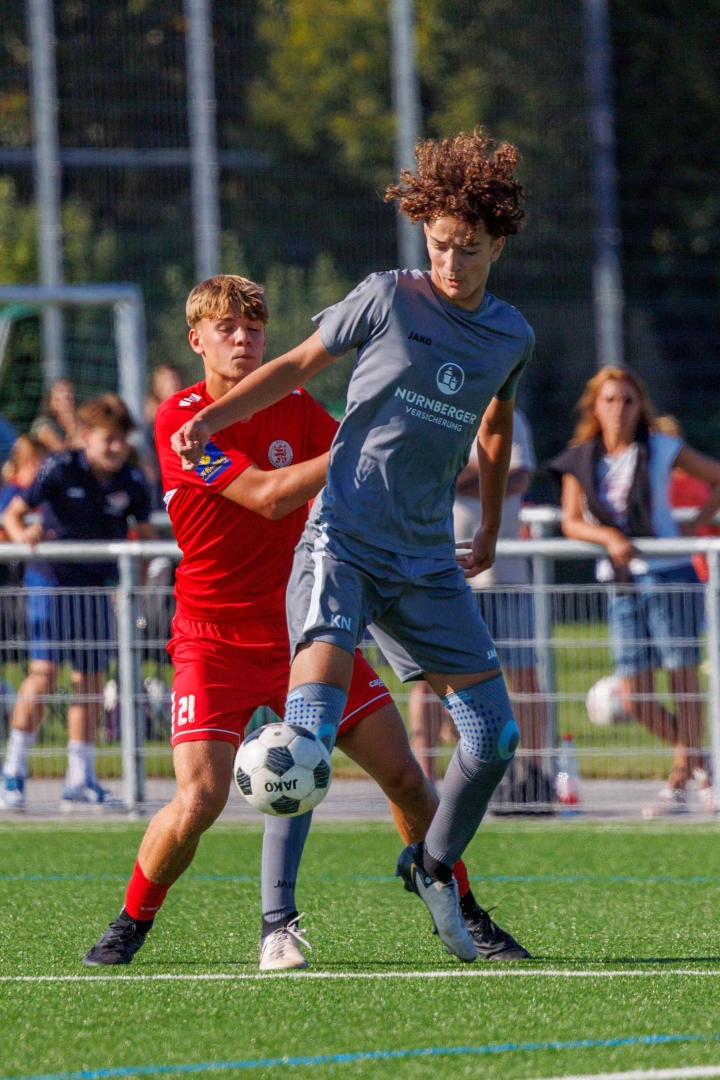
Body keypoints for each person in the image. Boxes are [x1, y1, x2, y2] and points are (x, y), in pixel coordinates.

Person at [83, 274, 528, 970]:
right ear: (196, 340)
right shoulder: (182, 418)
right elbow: (267, 495)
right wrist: (364, 444)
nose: (243, 339)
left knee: (407, 779)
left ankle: (461, 904)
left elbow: (365, 471)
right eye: (227, 328)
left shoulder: (296, 408)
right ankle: (132, 922)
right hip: (213, 639)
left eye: (255, 329)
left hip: (303, 629)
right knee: (200, 799)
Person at [171, 131, 534, 964]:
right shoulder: (388, 296)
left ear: (498, 246)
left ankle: (432, 866)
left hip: (427, 560)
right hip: (340, 543)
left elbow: (496, 422)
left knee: (495, 740)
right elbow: (298, 363)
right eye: (438, 245)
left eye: (467, 249)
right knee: (303, 738)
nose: (449, 262)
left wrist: (487, 523)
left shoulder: (510, 336)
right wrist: (213, 419)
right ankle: (278, 924)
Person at [551, 367, 720, 817]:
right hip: (621, 581)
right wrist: (608, 537)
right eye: (609, 400)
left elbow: (716, 476)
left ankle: (680, 782)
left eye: (628, 400)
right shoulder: (580, 458)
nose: (619, 409)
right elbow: (571, 522)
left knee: (682, 679)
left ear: (640, 405)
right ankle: (705, 764)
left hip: (669, 575)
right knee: (635, 694)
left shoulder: (661, 447)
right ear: (594, 406)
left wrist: (693, 523)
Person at [0, 395, 155, 810]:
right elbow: (12, 514)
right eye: (108, 439)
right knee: (45, 672)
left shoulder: (133, 480)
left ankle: (80, 778)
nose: (116, 447)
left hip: (98, 585)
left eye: (122, 439)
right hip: (51, 579)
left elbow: (146, 538)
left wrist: (134, 591)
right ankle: (13, 772)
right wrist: (24, 535)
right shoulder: (59, 467)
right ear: (86, 437)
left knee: (90, 679)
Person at [409, 407, 553, 810]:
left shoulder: (505, 413)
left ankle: (533, 778)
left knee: (523, 676)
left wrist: (458, 475)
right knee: (428, 679)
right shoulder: (427, 410)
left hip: (505, 573)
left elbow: (519, 476)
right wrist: (485, 473)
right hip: (441, 572)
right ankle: (424, 784)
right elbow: (417, 477)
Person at [30, 378, 78, 452]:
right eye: (58, 399)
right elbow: (61, 451)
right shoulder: (42, 424)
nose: (65, 403)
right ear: (51, 402)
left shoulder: (81, 421)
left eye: (68, 397)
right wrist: (71, 427)